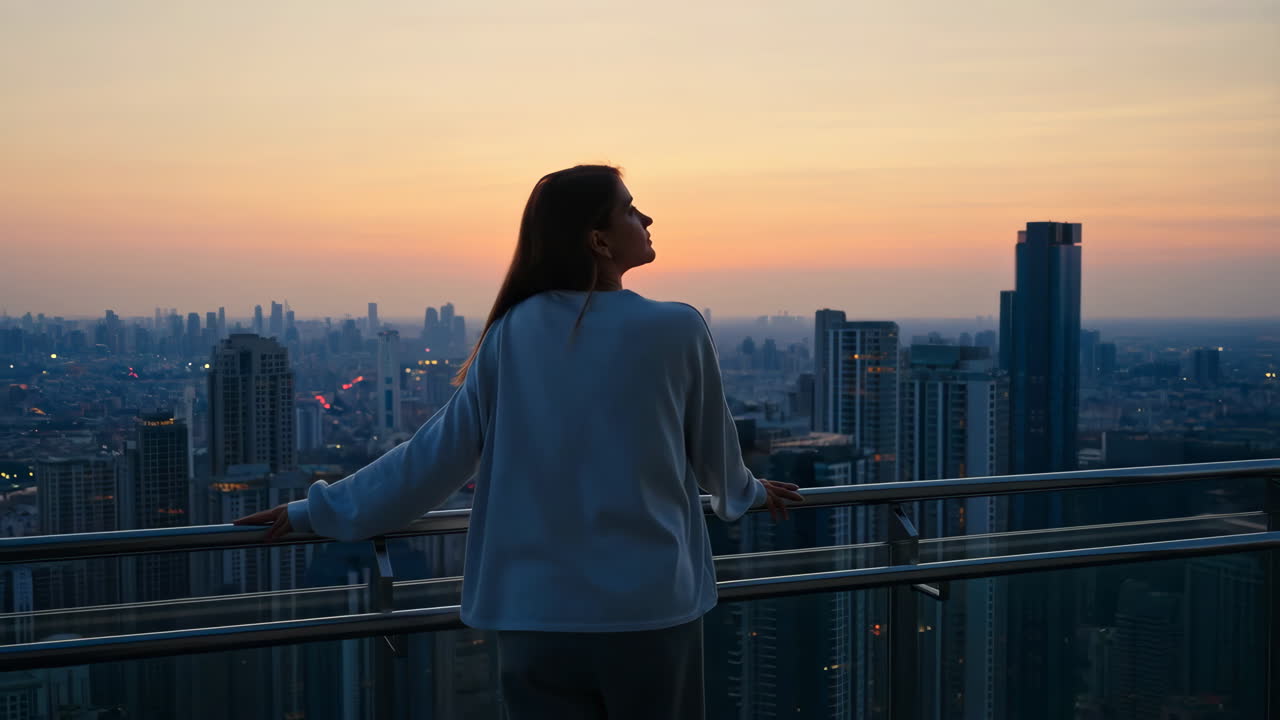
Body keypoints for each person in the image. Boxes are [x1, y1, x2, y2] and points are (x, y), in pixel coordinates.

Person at [234, 164, 806, 719]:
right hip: (646, 610)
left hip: (534, 616)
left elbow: (435, 456)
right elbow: (715, 458)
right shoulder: (676, 327)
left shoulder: (513, 329)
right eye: (631, 209)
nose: (647, 217)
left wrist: (317, 512)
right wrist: (750, 492)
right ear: (598, 239)